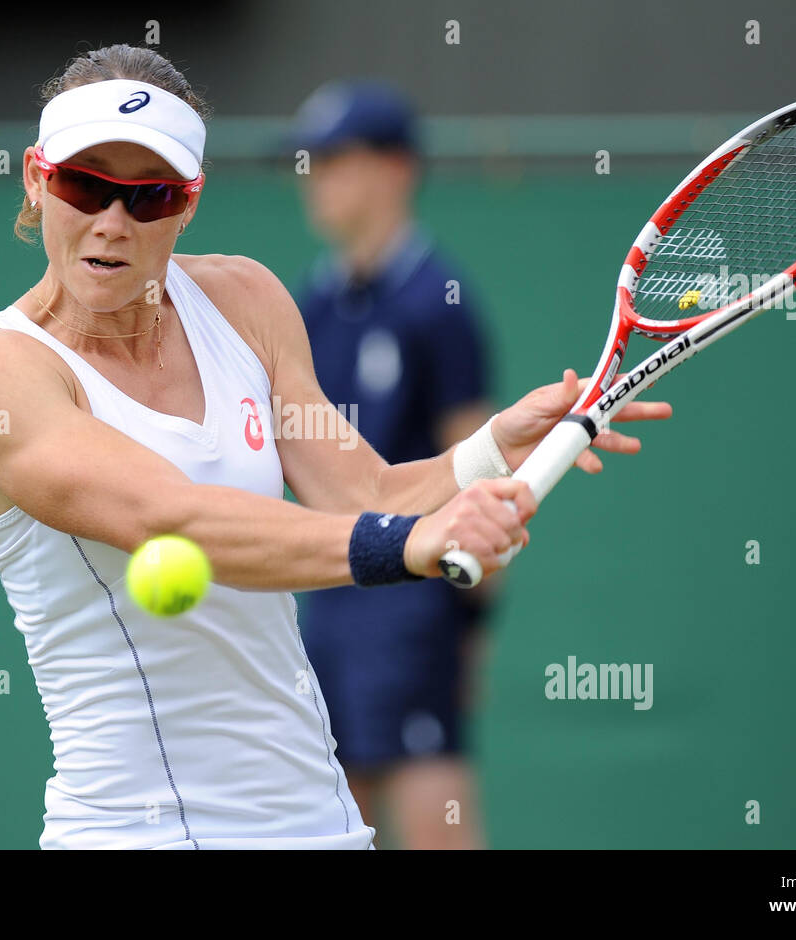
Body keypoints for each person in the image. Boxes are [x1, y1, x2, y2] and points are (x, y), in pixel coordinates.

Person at [0, 44, 670, 850]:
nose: (112, 220)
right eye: (85, 184)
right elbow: (170, 518)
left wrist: (491, 449)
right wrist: (416, 543)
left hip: (317, 823)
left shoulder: (245, 300)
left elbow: (369, 495)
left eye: (149, 195)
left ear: (188, 204)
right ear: (38, 179)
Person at [289, 80, 497, 848]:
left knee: (431, 806)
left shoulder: (438, 304)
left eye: (337, 159)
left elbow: (476, 463)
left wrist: (474, 619)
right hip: (329, 599)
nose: (315, 177)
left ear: (397, 168)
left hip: (415, 606)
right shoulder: (310, 306)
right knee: (330, 822)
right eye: (311, 162)